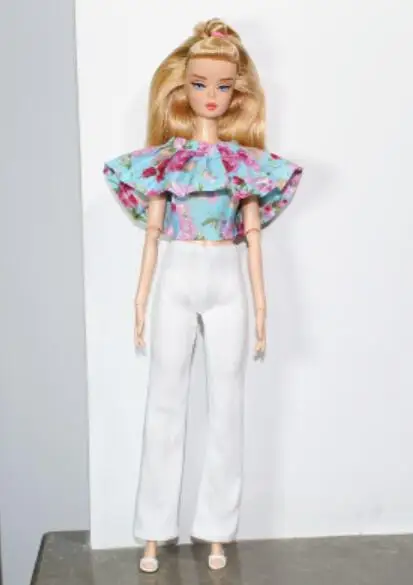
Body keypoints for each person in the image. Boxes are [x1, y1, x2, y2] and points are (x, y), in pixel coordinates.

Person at [103, 17, 303, 573]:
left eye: (222, 85)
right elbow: (152, 234)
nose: (211, 95)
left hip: (227, 280)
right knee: (164, 402)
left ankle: (217, 529)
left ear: (237, 91)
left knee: (227, 404)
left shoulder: (244, 165)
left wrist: (262, 307)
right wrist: (139, 301)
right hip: (176, 276)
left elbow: (253, 239)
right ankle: (153, 530)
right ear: (182, 87)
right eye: (199, 84)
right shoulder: (168, 161)